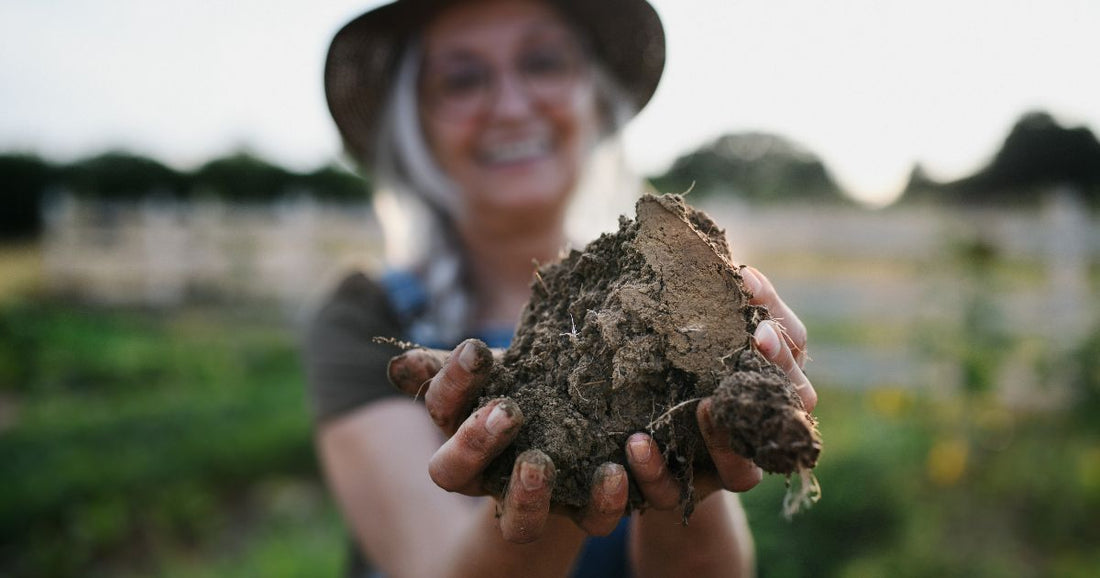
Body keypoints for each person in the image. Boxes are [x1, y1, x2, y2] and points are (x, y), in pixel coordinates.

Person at [305, 0, 818, 576]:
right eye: (462, 79)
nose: (512, 106)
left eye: (543, 62)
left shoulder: (661, 294)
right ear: (415, 122)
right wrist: (546, 462)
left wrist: (698, 447)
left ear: (594, 95)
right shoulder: (368, 315)